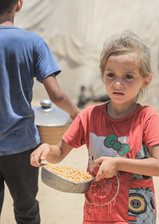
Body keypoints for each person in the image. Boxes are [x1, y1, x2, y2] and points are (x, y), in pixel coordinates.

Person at [30, 31, 159, 224]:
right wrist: (46, 149)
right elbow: (59, 152)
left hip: (134, 216)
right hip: (96, 214)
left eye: (128, 76)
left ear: (145, 81)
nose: (118, 83)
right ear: (102, 75)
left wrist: (118, 163)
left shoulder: (147, 118)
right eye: (111, 75)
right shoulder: (89, 116)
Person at [0, 0, 80, 224]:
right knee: (27, 210)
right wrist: (76, 113)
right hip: (22, 146)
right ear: (19, 4)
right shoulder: (33, 42)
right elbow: (56, 96)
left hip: (20, 145)